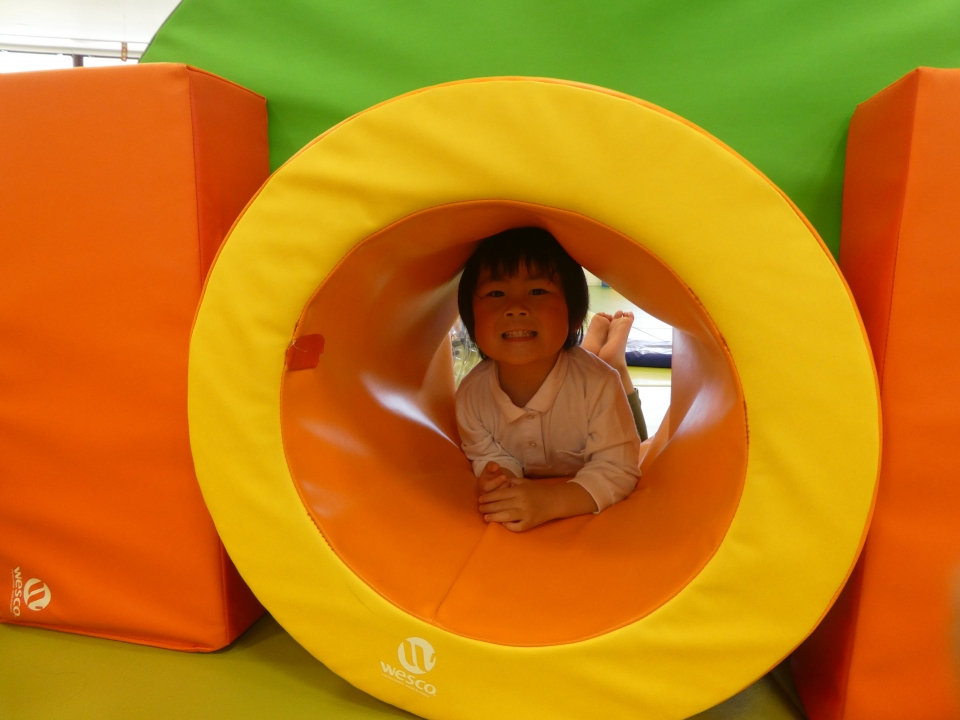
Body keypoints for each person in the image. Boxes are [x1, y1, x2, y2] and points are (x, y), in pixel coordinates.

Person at [455, 226, 642, 532]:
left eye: (537, 291)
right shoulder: (470, 396)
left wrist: (551, 501)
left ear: (573, 316)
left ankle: (613, 357)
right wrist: (501, 477)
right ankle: (597, 345)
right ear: (471, 320)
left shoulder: (600, 385)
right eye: (496, 293)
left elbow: (619, 467)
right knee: (585, 363)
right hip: (575, 368)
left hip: (607, 392)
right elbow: (488, 453)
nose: (515, 308)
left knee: (618, 392)